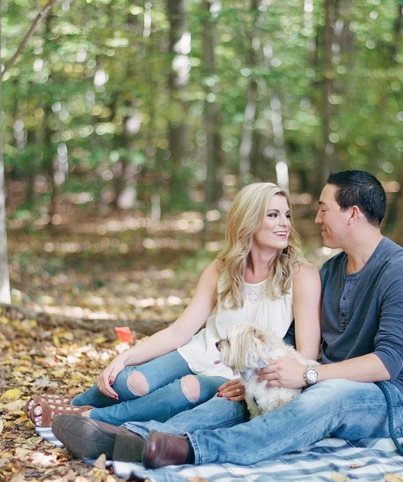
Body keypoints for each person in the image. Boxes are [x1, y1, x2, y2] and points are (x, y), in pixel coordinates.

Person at [53, 170, 403, 468]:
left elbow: (387, 363)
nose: (314, 218)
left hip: (390, 398)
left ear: (352, 213)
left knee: (327, 398)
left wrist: (310, 375)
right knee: (238, 397)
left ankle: (190, 450)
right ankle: (140, 438)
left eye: (323, 208)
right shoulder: (330, 272)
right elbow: (294, 346)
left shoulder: (401, 271)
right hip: (317, 378)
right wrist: (256, 376)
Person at [35, 183, 321, 460]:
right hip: (197, 352)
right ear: (247, 220)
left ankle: (92, 418)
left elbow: (304, 356)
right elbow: (179, 331)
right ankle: (75, 404)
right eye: (273, 215)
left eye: (287, 215)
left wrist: (248, 383)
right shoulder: (222, 268)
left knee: (188, 389)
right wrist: (125, 357)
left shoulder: (301, 275)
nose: (284, 223)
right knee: (131, 381)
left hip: (235, 371)